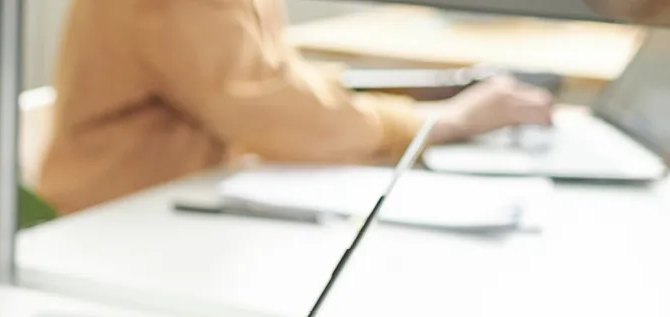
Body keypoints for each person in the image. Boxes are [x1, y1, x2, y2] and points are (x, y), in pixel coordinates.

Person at [38, 0, 557, 215]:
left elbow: (278, 79)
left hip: (183, 200)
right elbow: (273, 110)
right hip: (122, 221)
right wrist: (448, 121)